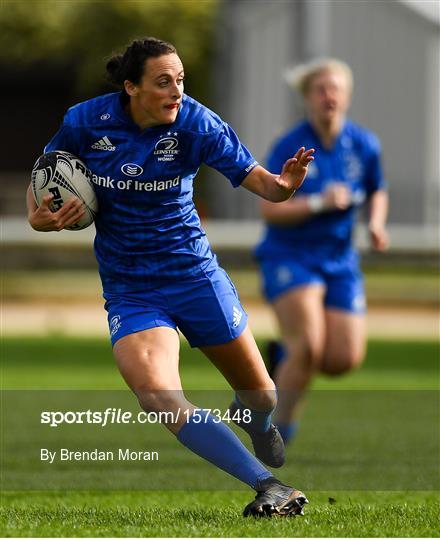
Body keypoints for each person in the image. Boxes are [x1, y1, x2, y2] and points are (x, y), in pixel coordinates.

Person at [26, 37, 315, 517]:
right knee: (159, 395)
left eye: (180, 80)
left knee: (262, 394)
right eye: (164, 82)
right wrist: (40, 218)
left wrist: (285, 187)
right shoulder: (84, 121)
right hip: (131, 287)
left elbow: (262, 182)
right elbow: (44, 184)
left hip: (194, 274)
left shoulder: (197, 123)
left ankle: (257, 420)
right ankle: (268, 486)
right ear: (131, 87)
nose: (177, 91)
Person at [255, 58, 389, 445]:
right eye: (320, 88)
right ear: (307, 98)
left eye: (336, 88)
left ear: (347, 96)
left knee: (341, 360)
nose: (329, 95)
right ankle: (275, 433)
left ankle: (282, 357)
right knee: (309, 347)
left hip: (340, 261)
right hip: (290, 256)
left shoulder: (364, 144)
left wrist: (376, 223)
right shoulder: (290, 144)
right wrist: (318, 204)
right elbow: (269, 208)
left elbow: (377, 188)